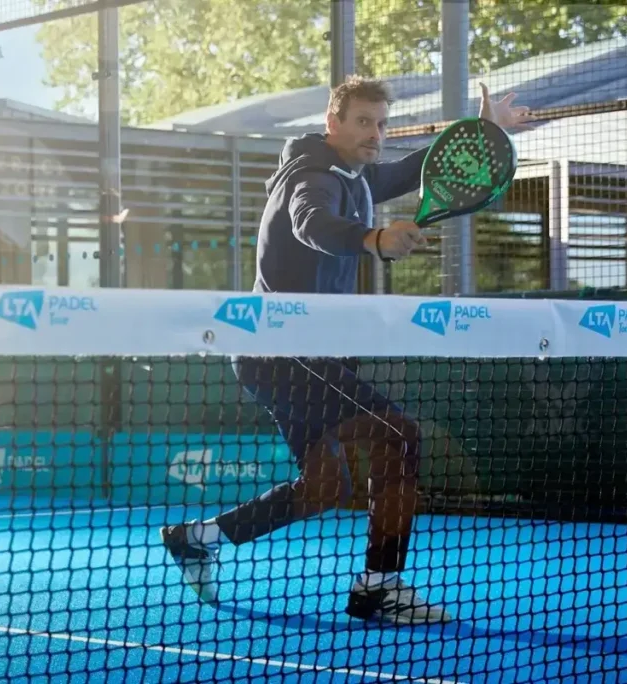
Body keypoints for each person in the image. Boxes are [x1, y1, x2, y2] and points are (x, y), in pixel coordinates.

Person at [160, 76, 534, 625]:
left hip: (294, 355)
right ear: (333, 122)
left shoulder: (355, 177)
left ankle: (196, 538)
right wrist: (373, 239)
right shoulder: (313, 177)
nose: (375, 134)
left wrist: (483, 129)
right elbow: (313, 224)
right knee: (398, 435)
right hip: (286, 352)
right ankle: (379, 588)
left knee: (324, 488)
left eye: (381, 124)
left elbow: (415, 171)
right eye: (363, 121)